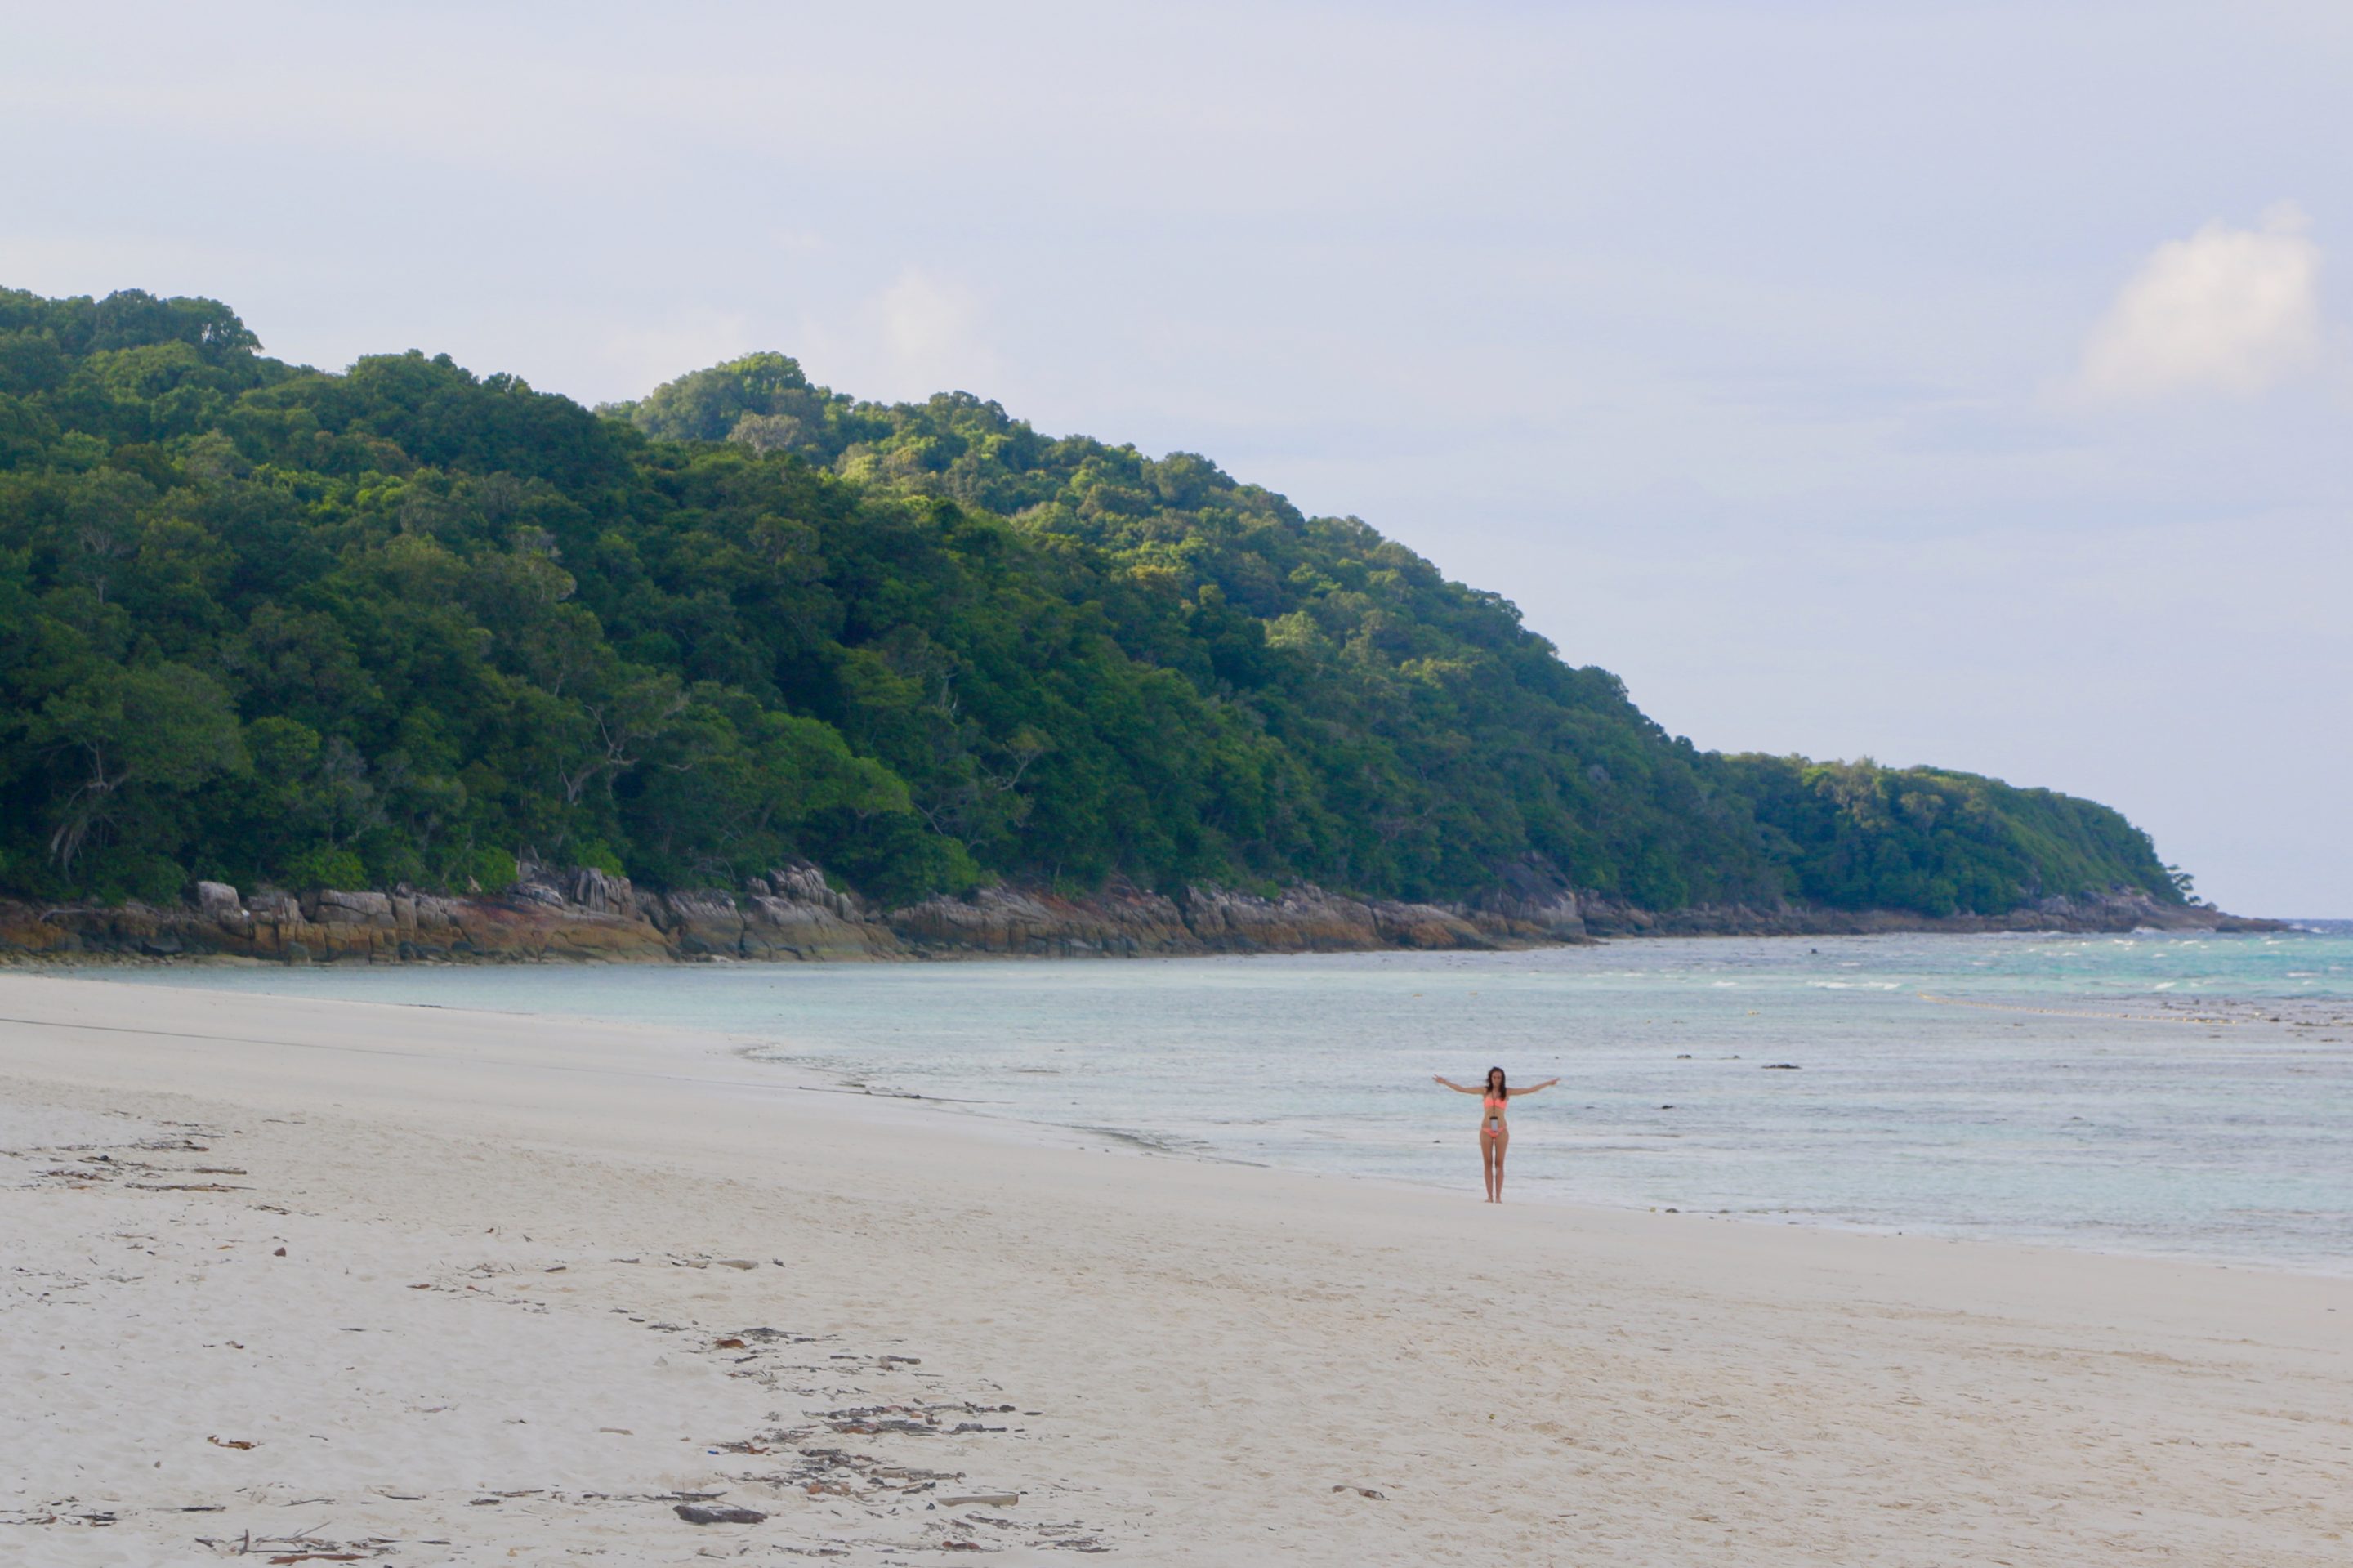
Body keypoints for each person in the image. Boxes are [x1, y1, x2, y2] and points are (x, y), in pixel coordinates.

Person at [1432, 1066, 1559, 1203]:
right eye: (1494, 1077)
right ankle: (1489, 1196)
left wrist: (1548, 1083)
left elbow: (1529, 1090)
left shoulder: (1507, 1092)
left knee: (1499, 1164)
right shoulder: (1484, 1091)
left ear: (1502, 1079)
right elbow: (1463, 1089)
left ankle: (1498, 1196)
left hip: (1501, 1130)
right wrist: (1445, 1082)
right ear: (1490, 1078)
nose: (1496, 1080)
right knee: (1487, 1163)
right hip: (1485, 1130)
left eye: (1499, 1077)